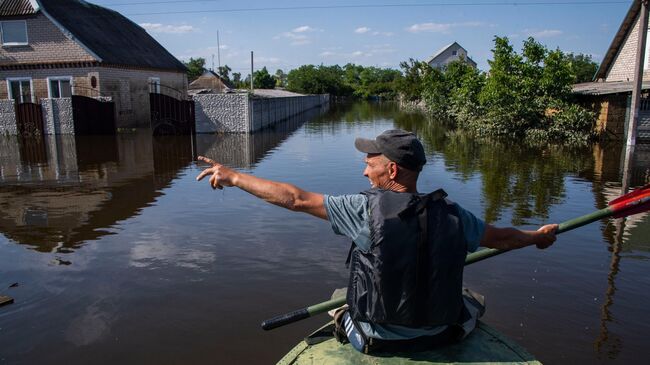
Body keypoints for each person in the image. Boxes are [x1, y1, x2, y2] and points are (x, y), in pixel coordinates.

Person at [196, 129, 558, 354]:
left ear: (392, 170)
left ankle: (343, 317)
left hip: (377, 339)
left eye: (370, 163)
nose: (364, 170)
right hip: (442, 334)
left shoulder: (362, 209)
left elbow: (295, 199)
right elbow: (505, 238)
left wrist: (235, 177)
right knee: (472, 299)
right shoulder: (453, 214)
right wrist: (538, 238)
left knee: (341, 296)